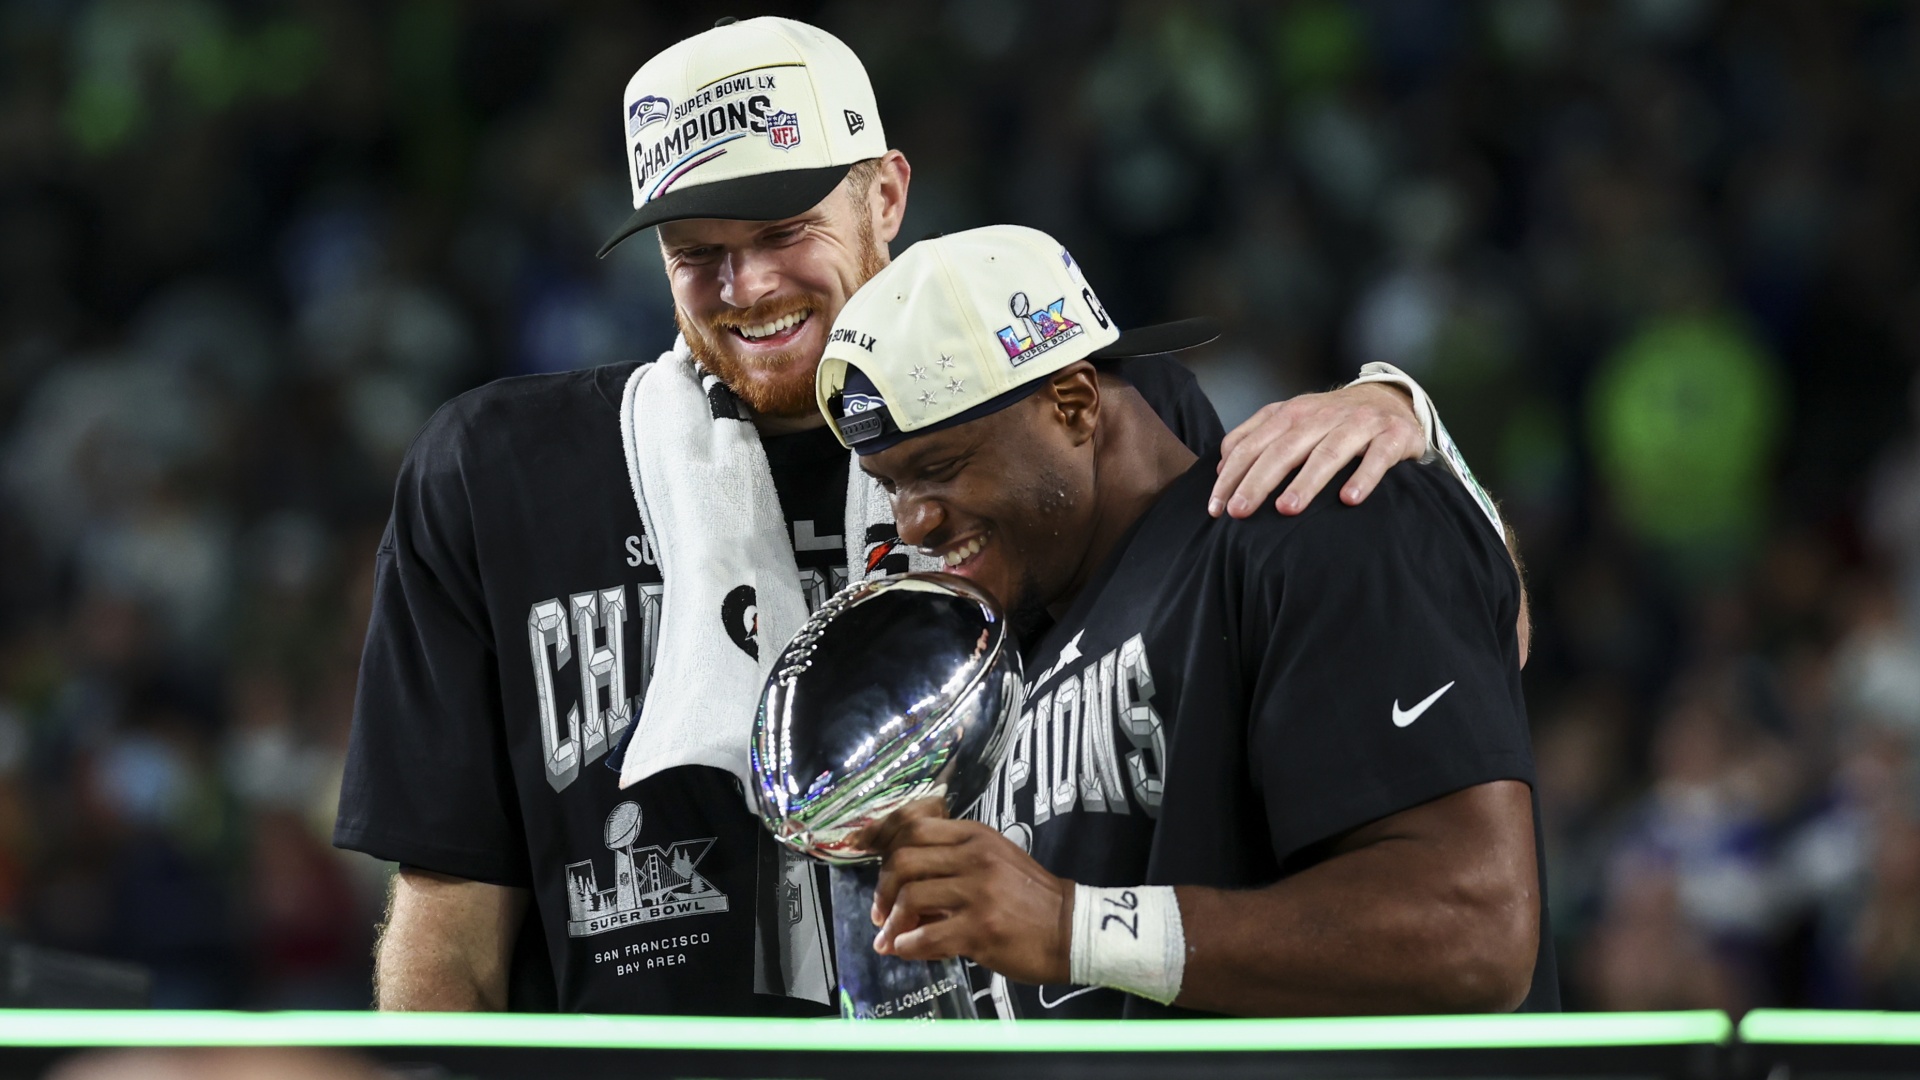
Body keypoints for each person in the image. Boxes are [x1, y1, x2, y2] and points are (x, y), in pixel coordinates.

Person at [332, 16, 1458, 1015]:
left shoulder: (1070, 409)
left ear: (887, 197)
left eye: (784, 232)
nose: (750, 287)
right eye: (700, 256)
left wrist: (1407, 427)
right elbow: (447, 923)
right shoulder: (494, 476)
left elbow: (1324, 652)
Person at [823, 224, 1554, 1017]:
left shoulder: (1315, 514)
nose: (914, 521)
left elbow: (1476, 931)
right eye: (890, 483)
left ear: (1072, 403)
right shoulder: (1004, 648)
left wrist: (1077, 928)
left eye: (940, 467)